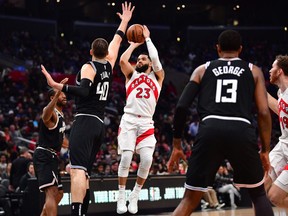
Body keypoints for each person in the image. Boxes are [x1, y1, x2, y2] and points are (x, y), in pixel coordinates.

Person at [40, 2, 135, 215]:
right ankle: (83, 211)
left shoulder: (88, 66)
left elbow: (83, 91)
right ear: (104, 52)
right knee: (86, 173)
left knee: (77, 171)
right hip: (99, 124)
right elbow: (117, 39)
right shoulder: (109, 64)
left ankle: (76, 213)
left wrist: (58, 86)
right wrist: (125, 21)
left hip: (85, 120)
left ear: (91, 51)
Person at [167, 29, 273, 216]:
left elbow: (182, 106)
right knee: (258, 194)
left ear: (218, 48)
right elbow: (264, 112)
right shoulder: (253, 70)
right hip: (241, 129)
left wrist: (176, 144)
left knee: (189, 198)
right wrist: (265, 150)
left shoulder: (202, 69)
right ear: (240, 49)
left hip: (210, 129)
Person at [116, 25, 165, 214]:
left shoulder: (158, 77)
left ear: (150, 64)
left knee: (146, 159)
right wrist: (134, 46)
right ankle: (121, 194)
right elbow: (122, 60)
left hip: (146, 121)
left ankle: (135, 194)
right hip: (129, 119)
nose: (139, 60)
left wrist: (148, 39)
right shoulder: (131, 75)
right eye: (138, 59)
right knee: (126, 157)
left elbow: (155, 58)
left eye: (143, 58)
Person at [33, 87, 68, 216]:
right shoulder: (50, 112)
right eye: (60, 94)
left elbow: (63, 140)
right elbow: (45, 115)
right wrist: (57, 91)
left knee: (59, 194)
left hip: (52, 156)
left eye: (64, 93)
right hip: (44, 154)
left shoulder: (61, 116)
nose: (64, 96)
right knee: (52, 191)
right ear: (52, 98)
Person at [265, 55, 288, 208]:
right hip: (283, 144)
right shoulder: (281, 93)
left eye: (272, 67)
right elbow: (277, 108)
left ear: (279, 71)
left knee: (274, 196)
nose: (269, 70)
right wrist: (258, 90)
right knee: (260, 184)